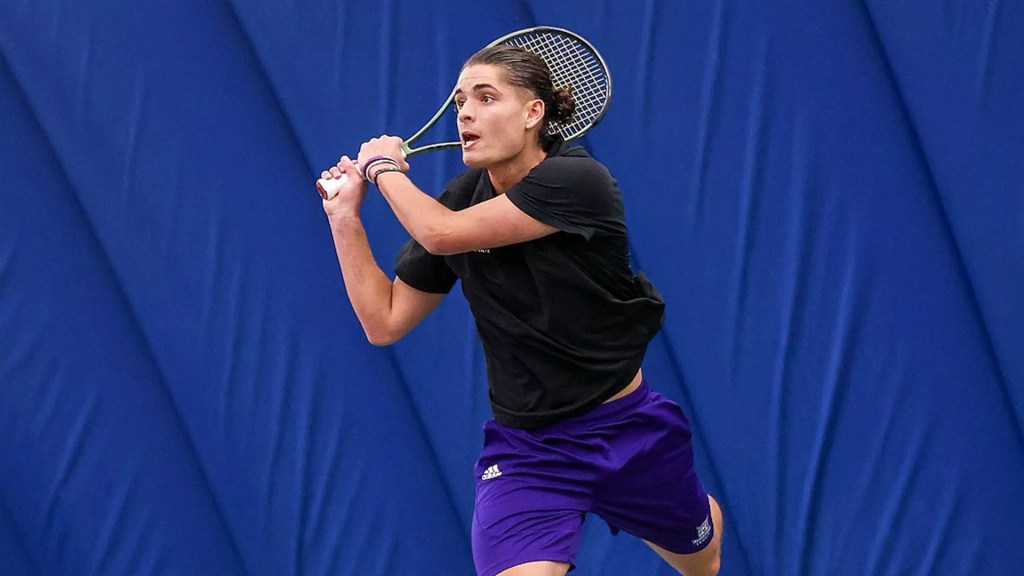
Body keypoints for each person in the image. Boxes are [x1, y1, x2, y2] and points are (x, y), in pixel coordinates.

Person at [319, 44, 723, 576]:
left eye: (487, 98)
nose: (465, 112)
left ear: (535, 113)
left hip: (630, 433)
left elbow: (440, 235)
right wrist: (344, 217)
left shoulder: (578, 181)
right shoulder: (461, 198)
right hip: (530, 454)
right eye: (461, 99)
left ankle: (694, 514)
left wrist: (383, 167)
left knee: (703, 563)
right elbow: (385, 320)